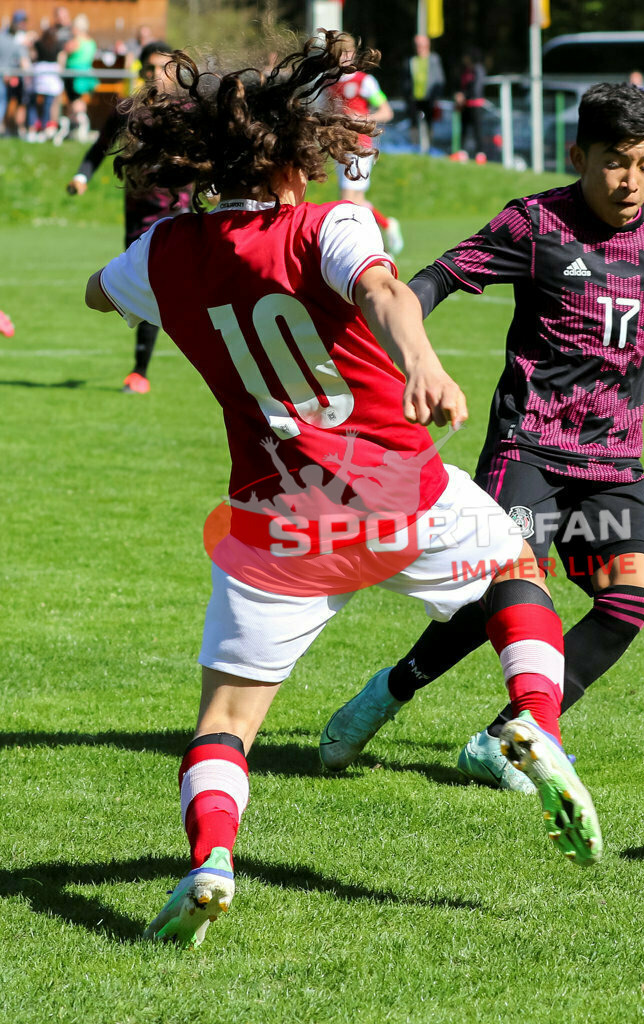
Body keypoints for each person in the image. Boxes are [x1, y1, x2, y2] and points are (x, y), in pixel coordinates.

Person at [83, 31, 602, 948]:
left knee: (227, 724)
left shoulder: (165, 251)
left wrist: (157, 264)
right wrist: (425, 362)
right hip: (397, 493)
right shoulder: (330, 224)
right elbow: (386, 293)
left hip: (271, 526)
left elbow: (98, 291)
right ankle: (536, 721)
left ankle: (211, 862)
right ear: (295, 155)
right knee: (517, 570)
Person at [320, 82, 644, 793]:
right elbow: (439, 278)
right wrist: (411, 349)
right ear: (579, 154)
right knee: (506, 592)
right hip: (530, 448)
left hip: (614, 459)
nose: (632, 181)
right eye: (616, 162)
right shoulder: (536, 225)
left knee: (632, 596)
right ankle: (390, 692)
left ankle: (507, 741)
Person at [68, 41, 192, 394]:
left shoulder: (187, 111)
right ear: (140, 70)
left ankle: (140, 372)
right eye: (149, 68)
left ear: (174, 70)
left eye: (162, 68)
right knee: (147, 294)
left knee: (158, 288)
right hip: (138, 217)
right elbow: (98, 148)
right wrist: (81, 177)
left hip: (178, 215)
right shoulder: (127, 111)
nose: (155, 75)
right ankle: (141, 370)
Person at [324, 31, 403, 255]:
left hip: (360, 146)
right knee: (357, 201)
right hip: (340, 147)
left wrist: (364, 119)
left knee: (347, 202)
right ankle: (385, 237)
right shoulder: (330, 82)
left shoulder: (364, 81)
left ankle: (356, 253)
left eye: (348, 53)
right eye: (340, 54)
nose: (344, 58)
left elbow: (386, 111)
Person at [402, 33, 444, 154]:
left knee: (429, 124)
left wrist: (436, 96)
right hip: (413, 98)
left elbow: (439, 79)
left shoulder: (434, 59)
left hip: (429, 98)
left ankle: (430, 149)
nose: (419, 48)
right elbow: (405, 79)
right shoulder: (410, 60)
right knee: (414, 124)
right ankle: (415, 148)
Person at [62, 13, 98, 141]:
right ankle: (80, 128)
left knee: (74, 100)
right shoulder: (91, 42)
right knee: (81, 101)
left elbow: (64, 51)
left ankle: (78, 126)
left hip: (74, 75)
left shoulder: (75, 42)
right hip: (86, 74)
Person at [455, 48, 487, 158]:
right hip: (465, 104)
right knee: (464, 128)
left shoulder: (478, 69)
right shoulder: (465, 70)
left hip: (475, 104)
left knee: (477, 129)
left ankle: (480, 153)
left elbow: (476, 88)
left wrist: (465, 95)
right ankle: (463, 151)